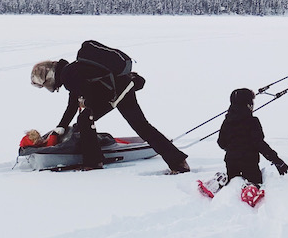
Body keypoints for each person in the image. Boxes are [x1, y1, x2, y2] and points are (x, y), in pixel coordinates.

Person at [30, 52, 190, 173]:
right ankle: (178, 161)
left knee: (86, 120)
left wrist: (85, 110)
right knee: (140, 125)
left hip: (119, 91)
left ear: (50, 76)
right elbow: (72, 105)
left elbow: (84, 97)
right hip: (121, 89)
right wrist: (61, 127)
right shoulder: (72, 71)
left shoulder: (69, 74)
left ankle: (93, 162)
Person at [213, 88, 288, 205]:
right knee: (255, 181)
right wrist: (276, 160)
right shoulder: (252, 121)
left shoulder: (227, 121)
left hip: (231, 161)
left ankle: (221, 182)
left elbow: (220, 142)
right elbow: (259, 143)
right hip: (249, 162)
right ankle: (250, 187)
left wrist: (232, 148)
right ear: (248, 104)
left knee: (233, 180)